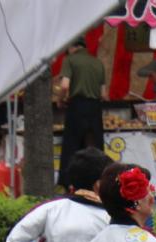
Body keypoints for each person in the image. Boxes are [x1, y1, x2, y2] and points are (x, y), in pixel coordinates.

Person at [54, 38, 105, 191]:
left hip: (77, 106)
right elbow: (104, 93)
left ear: (71, 47)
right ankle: (98, 181)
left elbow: (64, 85)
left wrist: (60, 99)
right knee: (94, 146)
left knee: (72, 146)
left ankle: (68, 183)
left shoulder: (70, 60)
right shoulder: (98, 62)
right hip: (95, 108)